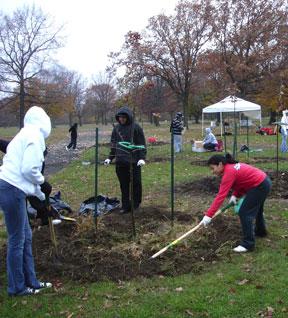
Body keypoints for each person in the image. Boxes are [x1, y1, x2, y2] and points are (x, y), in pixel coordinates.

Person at [0, 106, 52, 296]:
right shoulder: (34, 136)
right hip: (11, 189)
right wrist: (43, 182)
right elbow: (29, 170)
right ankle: (17, 288)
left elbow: (26, 173)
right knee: (17, 240)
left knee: (26, 237)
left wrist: (39, 192)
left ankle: (32, 281)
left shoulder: (24, 134)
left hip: (14, 189)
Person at [200, 154, 271, 253]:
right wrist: (235, 195)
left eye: (213, 168)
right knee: (257, 210)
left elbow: (220, 196)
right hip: (263, 182)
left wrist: (208, 215)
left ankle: (248, 244)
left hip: (259, 186)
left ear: (220, 164)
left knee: (245, 213)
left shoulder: (229, 172)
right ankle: (261, 232)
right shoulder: (230, 168)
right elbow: (241, 181)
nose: (213, 172)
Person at [0, 139, 53, 226]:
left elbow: (35, 184)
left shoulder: (39, 161)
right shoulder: (18, 150)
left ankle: (31, 223)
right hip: (10, 185)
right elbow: (32, 187)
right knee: (20, 222)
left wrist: (44, 205)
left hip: (16, 185)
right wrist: (43, 207)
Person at [104, 106, 146, 214]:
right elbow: (114, 145)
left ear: (128, 117)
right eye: (120, 117)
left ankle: (135, 204)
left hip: (134, 161)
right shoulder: (116, 129)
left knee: (136, 183)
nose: (121, 119)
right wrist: (110, 158)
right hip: (121, 162)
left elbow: (141, 144)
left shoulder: (136, 128)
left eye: (124, 117)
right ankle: (125, 205)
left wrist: (141, 158)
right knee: (124, 184)